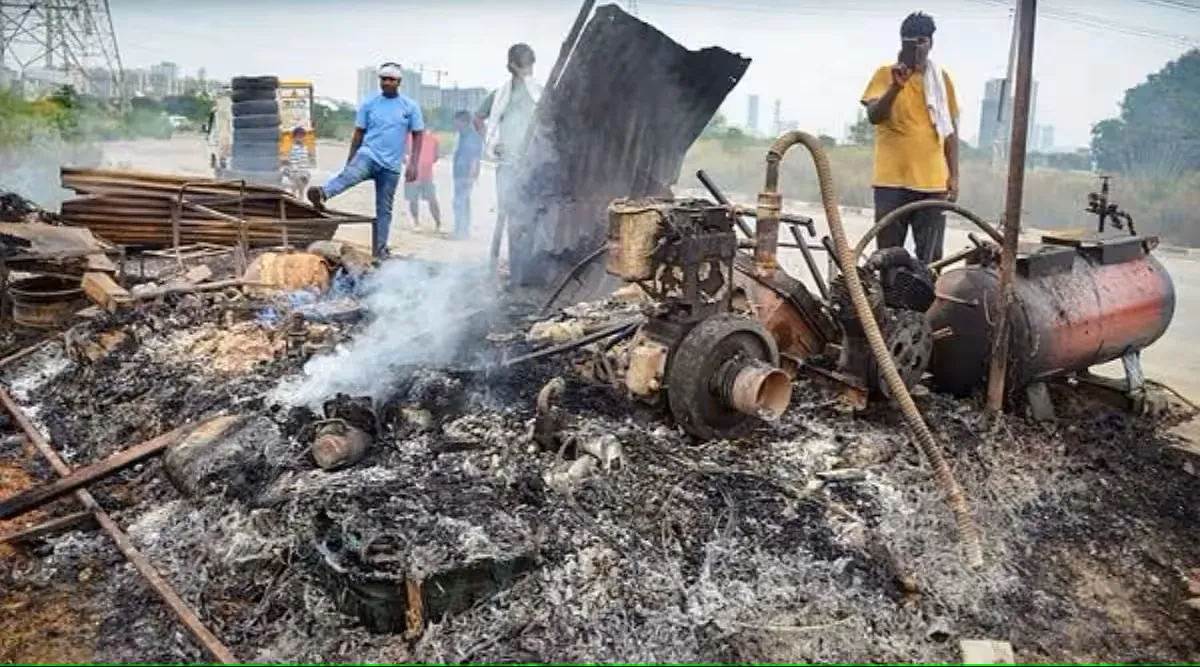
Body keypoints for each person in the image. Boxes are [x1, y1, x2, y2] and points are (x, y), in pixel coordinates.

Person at [860, 11, 960, 263]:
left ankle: (924, 302)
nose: (917, 48)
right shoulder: (885, 74)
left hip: (932, 183)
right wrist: (896, 86)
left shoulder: (941, 79)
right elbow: (874, 115)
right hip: (892, 182)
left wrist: (954, 176)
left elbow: (950, 131)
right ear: (901, 42)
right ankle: (884, 301)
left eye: (921, 42)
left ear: (931, 43)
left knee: (931, 259)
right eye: (910, 41)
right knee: (886, 257)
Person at [308, 61, 424, 258]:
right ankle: (322, 194)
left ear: (398, 82)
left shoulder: (410, 107)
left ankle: (380, 249)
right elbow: (358, 133)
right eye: (383, 79)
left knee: (384, 209)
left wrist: (414, 164)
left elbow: (418, 135)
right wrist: (350, 159)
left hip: (392, 166)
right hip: (368, 155)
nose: (386, 83)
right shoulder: (369, 104)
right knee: (348, 176)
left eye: (391, 80)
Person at [474, 43, 542, 279]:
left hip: (532, 165)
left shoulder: (539, 93)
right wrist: (491, 145)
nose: (528, 70)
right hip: (506, 166)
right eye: (525, 64)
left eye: (530, 64)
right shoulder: (501, 94)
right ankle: (514, 273)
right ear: (512, 65)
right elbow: (478, 118)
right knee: (510, 215)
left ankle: (527, 271)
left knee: (529, 217)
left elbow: (549, 122)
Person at [452, 110, 483, 240]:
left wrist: (471, 177)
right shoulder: (462, 136)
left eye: (456, 121)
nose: (454, 124)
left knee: (461, 202)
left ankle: (462, 231)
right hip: (459, 175)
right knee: (460, 202)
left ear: (463, 121)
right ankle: (460, 229)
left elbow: (475, 159)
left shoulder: (472, 137)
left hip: (465, 176)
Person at [405, 131, 442, 231]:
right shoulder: (409, 137)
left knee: (429, 200)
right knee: (417, 199)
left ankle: (436, 223)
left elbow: (436, 156)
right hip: (416, 174)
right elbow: (436, 157)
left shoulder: (432, 139)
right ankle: (419, 222)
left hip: (423, 174)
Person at [282, 126, 311, 199]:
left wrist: (306, 173)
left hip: (304, 174)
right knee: (294, 191)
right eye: (298, 136)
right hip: (296, 174)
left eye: (302, 136)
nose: (300, 138)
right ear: (294, 137)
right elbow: (292, 161)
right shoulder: (293, 148)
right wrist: (295, 172)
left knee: (302, 191)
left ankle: (301, 202)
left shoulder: (305, 148)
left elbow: (306, 161)